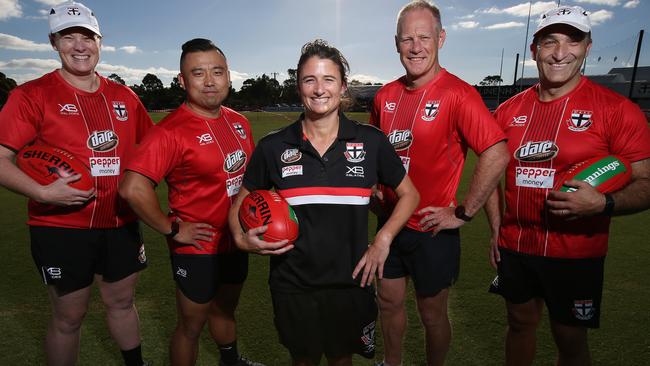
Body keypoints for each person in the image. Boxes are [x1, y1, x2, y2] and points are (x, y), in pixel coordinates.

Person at [227, 39, 419, 366]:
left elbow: (410, 194)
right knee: (303, 360)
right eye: (309, 80)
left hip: (351, 281)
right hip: (292, 283)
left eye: (328, 79)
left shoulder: (369, 140)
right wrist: (240, 238)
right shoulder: (274, 146)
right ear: (298, 86)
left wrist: (383, 240)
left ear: (343, 86)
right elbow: (239, 205)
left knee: (341, 359)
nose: (319, 90)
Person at [487, 5, 650, 365]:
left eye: (572, 41)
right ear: (535, 50)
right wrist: (496, 228)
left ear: (588, 47)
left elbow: (645, 183)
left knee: (570, 336)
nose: (560, 53)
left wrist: (603, 204)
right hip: (516, 245)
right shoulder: (508, 112)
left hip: (577, 250)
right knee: (518, 322)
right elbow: (490, 174)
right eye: (550, 42)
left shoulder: (618, 110)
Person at [0, 2, 152, 365]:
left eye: (87, 36)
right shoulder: (31, 95)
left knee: (122, 302)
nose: (80, 46)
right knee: (69, 317)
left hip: (120, 223)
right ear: (54, 42)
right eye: (69, 37)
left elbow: (154, 151)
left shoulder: (124, 97)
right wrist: (41, 191)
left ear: (100, 42)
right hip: (61, 228)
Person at [369, 1, 510, 365]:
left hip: (432, 230)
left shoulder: (458, 94)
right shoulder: (384, 96)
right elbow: (372, 155)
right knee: (388, 302)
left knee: (432, 315)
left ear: (441, 39)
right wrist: (372, 189)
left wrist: (463, 213)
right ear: (396, 43)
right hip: (390, 223)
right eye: (407, 39)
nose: (415, 47)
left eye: (424, 37)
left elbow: (496, 152)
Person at [119, 38, 262, 366]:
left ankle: (231, 361)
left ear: (228, 76)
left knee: (226, 309)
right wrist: (171, 229)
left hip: (236, 239)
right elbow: (132, 188)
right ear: (183, 81)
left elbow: (247, 182)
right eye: (198, 73)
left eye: (217, 72)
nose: (210, 81)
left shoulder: (238, 122)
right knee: (191, 325)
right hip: (197, 246)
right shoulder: (169, 131)